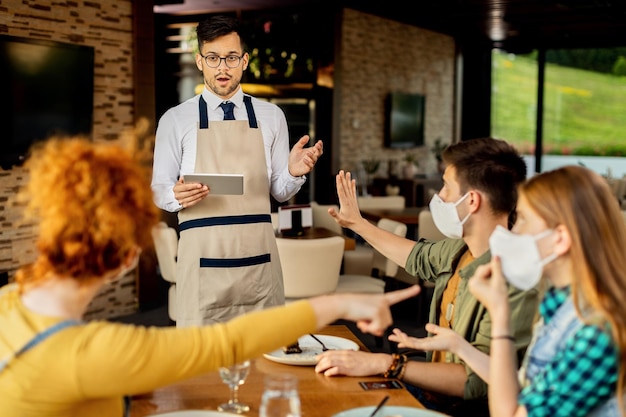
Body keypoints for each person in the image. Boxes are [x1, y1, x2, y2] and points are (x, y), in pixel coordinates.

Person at [0, 136, 419, 417]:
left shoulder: (6, 303)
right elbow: (226, 343)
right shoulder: (88, 352)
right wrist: (341, 303)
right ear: (128, 257)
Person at [315, 137, 540, 416]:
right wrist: (358, 224)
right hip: (430, 393)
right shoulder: (461, 250)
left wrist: (386, 364)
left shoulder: (514, 280)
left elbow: (478, 382)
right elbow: (416, 256)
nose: (440, 196)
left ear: (472, 200)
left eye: (446, 186)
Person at [389, 165, 626, 417]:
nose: (512, 231)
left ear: (560, 239)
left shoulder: (597, 331)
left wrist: (500, 315)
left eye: (522, 219)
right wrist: (460, 347)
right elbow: (526, 387)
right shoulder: (561, 304)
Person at [151, 15, 324, 326]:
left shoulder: (272, 117)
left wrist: (295, 172)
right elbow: (159, 189)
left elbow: (279, 192)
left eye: (231, 57)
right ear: (199, 60)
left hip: (258, 261)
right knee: (201, 361)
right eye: (213, 58)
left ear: (244, 60)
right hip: (202, 263)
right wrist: (175, 196)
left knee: (265, 357)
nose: (222, 67)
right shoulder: (175, 120)